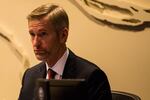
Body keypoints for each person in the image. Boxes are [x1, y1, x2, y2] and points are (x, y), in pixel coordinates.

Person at [18, 3, 112, 100]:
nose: (35, 43)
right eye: (32, 34)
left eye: (43, 34)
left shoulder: (92, 76)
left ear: (63, 35)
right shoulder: (29, 75)